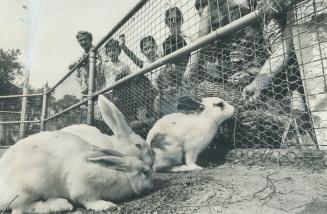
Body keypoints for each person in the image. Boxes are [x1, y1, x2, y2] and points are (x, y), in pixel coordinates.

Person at [103, 39, 157, 123]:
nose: (111, 53)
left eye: (113, 50)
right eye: (109, 51)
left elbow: (130, 84)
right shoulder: (104, 65)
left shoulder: (125, 66)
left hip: (122, 94)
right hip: (109, 92)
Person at [69, 31, 103, 97]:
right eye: (81, 40)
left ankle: (89, 90)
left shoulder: (97, 49)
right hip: (89, 81)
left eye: (85, 39)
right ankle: (86, 90)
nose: (83, 42)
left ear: (90, 40)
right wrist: (78, 62)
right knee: (80, 68)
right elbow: (70, 66)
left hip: (100, 79)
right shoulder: (83, 55)